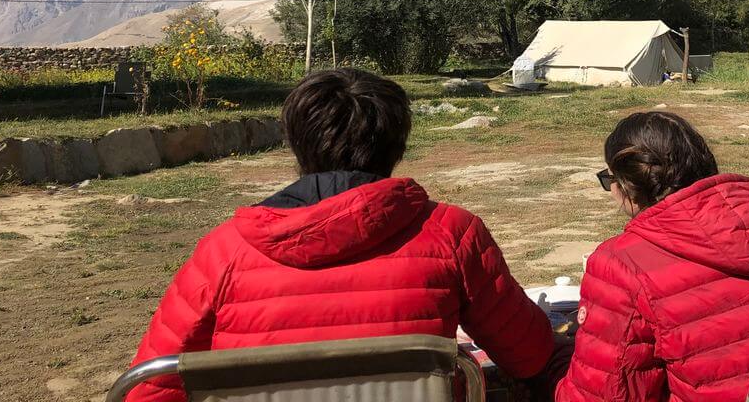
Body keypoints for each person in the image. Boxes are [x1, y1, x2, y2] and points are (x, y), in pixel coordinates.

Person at [126, 68, 553, 402]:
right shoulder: (452, 235)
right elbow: (531, 354)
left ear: (296, 144)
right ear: (397, 146)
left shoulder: (225, 251)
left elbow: (147, 387)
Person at [556, 111, 749, 402]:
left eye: (609, 180)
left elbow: (606, 394)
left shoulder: (620, 264)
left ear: (625, 184)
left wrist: (552, 371)